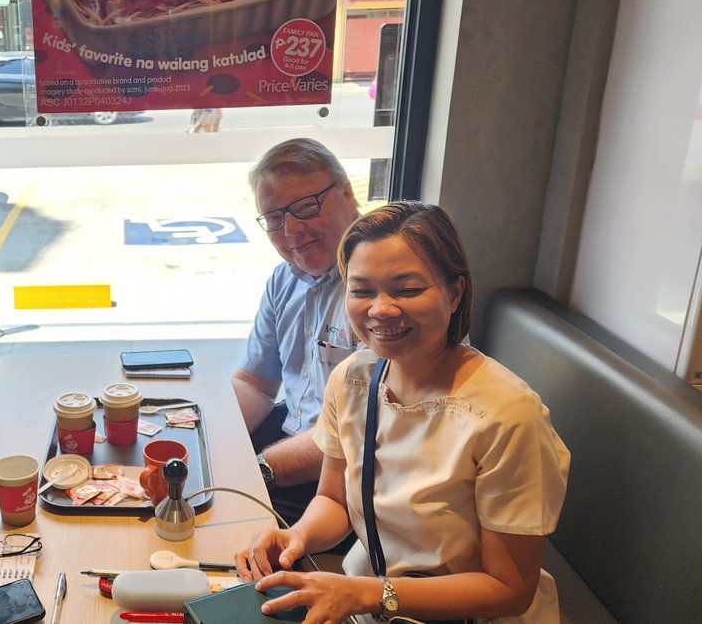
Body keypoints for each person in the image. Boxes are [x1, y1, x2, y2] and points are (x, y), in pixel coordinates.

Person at [236, 201, 570, 623]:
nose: (381, 309)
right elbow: (333, 499)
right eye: (361, 290)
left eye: (408, 289)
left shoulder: (507, 416)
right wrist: (295, 536)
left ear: (455, 292)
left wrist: (364, 593)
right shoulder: (353, 379)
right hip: (372, 604)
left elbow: (509, 589)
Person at [233, 138, 361, 524]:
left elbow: (360, 438)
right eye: (274, 219)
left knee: (217, 515)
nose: (292, 231)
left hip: (347, 475)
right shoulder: (282, 281)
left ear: (347, 193)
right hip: (292, 433)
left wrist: (252, 470)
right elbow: (255, 384)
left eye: (305, 207)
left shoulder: (378, 289)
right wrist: (209, 431)